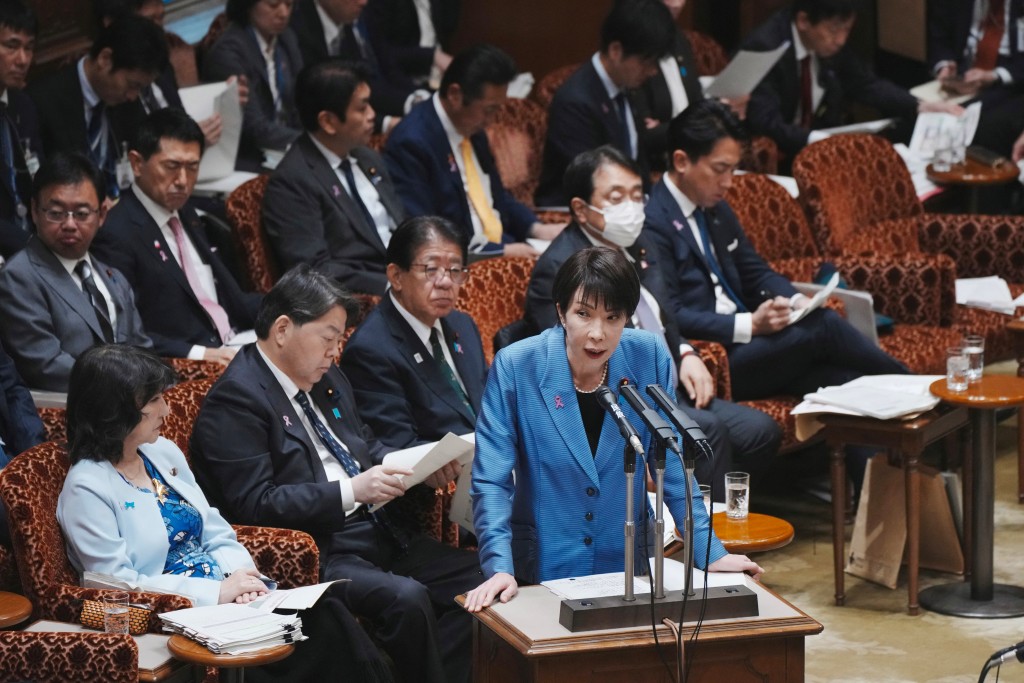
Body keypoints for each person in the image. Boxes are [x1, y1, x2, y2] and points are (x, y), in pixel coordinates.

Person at [191, 265, 479, 683]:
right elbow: (254, 503)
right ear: (284, 329)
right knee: (408, 598)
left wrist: (414, 466)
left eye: (340, 339)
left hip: (382, 531)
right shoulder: (236, 401)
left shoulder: (328, 378)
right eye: (329, 338)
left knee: (486, 579)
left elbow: (362, 445)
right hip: (320, 551)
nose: (335, 351)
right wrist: (350, 490)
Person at [56, 344, 393, 683]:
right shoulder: (87, 487)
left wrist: (244, 579)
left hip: (228, 598)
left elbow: (213, 528)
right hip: (177, 614)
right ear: (115, 412)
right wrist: (216, 593)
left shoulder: (161, 453)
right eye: (154, 400)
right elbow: (117, 585)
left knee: (327, 611)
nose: (167, 410)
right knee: (322, 634)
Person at [465, 247, 763, 611]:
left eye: (613, 317)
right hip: (544, 561)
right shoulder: (517, 366)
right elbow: (491, 481)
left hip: (624, 563)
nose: (597, 334)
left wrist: (708, 552)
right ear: (561, 311)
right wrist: (498, 566)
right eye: (583, 314)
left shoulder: (649, 355)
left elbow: (669, 462)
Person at [644, 100, 907, 494]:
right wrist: (751, 324)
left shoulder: (715, 207)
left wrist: (796, 301)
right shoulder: (653, 220)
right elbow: (670, 314)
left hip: (759, 348)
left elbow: (756, 271)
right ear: (682, 161)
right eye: (720, 169)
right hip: (718, 359)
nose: (730, 180)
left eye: (734, 168)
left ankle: (873, 512)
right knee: (823, 328)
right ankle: (910, 384)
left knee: (845, 383)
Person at [525, 146, 780, 496]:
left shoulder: (638, 242)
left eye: (636, 195)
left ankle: (701, 515)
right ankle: (703, 543)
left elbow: (663, 313)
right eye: (616, 197)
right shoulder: (560, 268)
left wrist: (686, 352)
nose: (630, 207)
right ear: (581, 209)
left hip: (668, 384)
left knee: (760, 430)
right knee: (707, 431)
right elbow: (570, 360)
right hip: (622, 400)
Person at [91, 109, 261, 363]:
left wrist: (292, 306)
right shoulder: (117, 233)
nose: (183, 180)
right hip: (186, 364)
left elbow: (227, 298)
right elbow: (127, 332)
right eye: (172, 166)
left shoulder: (186, 212)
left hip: (236, 342)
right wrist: (202, 354)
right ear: (137, 164)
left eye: (192, 167)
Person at [384, 44, 559, 258]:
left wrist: (536, 228)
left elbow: (495, 196)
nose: (493, 120)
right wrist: (498, 252)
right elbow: (425, 233)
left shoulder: (473, 129)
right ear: (455, 94)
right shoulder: (412, 143)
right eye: (489, 110)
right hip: (462, 264)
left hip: (506, 246)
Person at [0, 152, 151, 392]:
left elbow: (143, 349)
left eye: (81, 214)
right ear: (35, 212)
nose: (69, 224)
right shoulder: (19, 277)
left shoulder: (113, 278)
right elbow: (45, 366)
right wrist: (124, 390)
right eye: (56, 213)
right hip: (71, 414)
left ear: (101, 215)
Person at [740, 0, 962, 158]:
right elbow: (766, 122)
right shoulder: (763, 47)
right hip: (784, 149)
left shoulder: (828, 44)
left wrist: (919, 105)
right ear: (803, 21)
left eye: (847, 30)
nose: (841, 40)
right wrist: (817, 140)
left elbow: (866, 83)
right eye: (834, 30)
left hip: (822, 142)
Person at [340, 215, 487, 449]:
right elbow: (398, 446)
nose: (446, 282)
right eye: (431, 269)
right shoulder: (370, 351)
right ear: (396, 276)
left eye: (455, 270)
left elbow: (489, 404)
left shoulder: (462, 324)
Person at [262, 59, 406, 296]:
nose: (372, 115)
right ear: (328, 122)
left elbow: (401, 224)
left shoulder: (367, 157)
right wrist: (393, 284)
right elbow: (314, 270)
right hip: (370, 295)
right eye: (361, 109)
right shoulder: (292, 182)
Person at [534, 0, 674, 207]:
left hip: (625, 207)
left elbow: (637, 163)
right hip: (573, 214)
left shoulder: (627, 88)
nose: (653, 71)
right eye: (647, 62)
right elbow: (592, 181)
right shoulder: (576, 102)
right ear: (616, 50)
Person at [27, 15, 168, 201]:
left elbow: (143, 154)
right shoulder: (42, 101)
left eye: (140, 88)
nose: (133, 96)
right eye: (132, 85)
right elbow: (42, 183)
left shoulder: (128, 100)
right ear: (105, 59)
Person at [630, 0, 750, 172]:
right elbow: (646, 137)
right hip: (659, 166)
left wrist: (721, 106)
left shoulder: (678, 39)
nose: (677, 4)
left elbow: (695, 101)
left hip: (697, 151)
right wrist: (696, 122)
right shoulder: (635, 56)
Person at [290, 0, 423, 133]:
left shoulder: (345, 20)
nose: (364, 2)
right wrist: (385, 123)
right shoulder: (296, 26)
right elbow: (318, 103)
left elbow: (364, 83)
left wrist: (411, 102)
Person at [202, 0, 302, 171]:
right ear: (249, 6)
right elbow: (255, 128)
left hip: (288, 146)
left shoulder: (286, 38)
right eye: (273, 5)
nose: (284, 13)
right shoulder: (228, 53)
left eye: (289, 4)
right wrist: (313, 142)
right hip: (250, 158)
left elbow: (304, 97)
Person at [0, 0, 40, 260]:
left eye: (29, 48)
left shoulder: (22, 104)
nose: (23, 60)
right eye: (11, 46)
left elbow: (41, 173)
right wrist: (32, 247)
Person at [364, 0, 458, 87]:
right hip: (406, 79)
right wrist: (432, 56)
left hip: (440, 74)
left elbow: (448, 27)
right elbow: (383, 54)